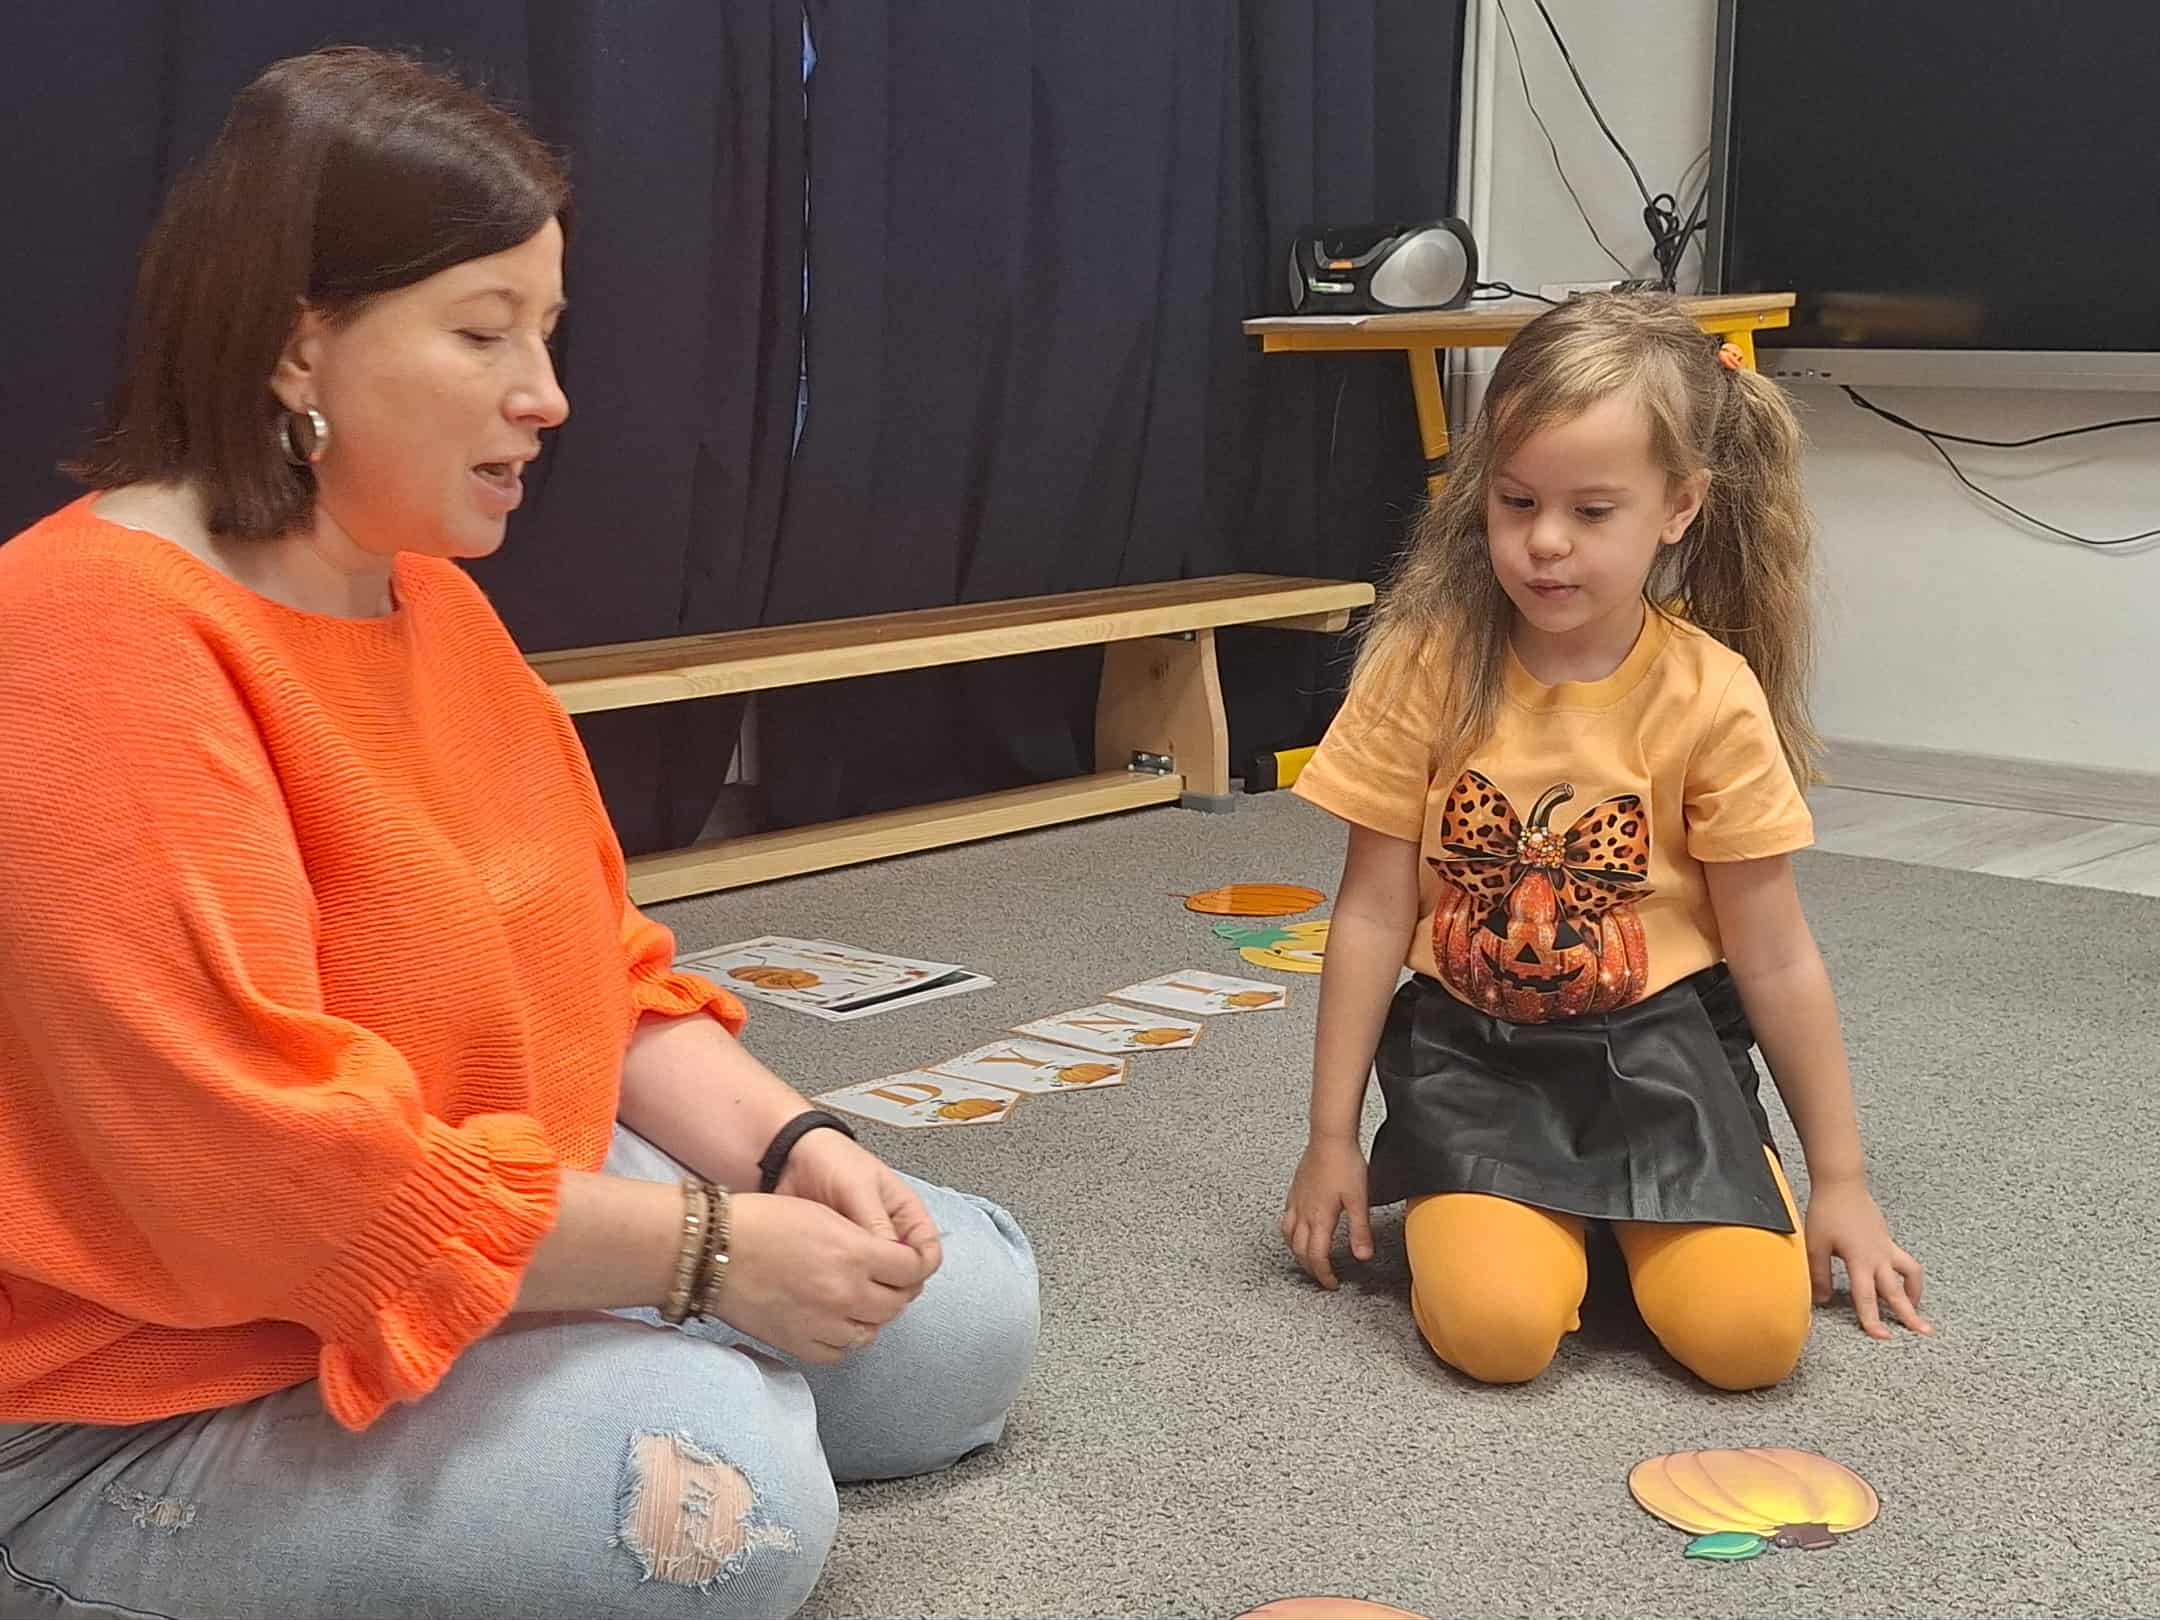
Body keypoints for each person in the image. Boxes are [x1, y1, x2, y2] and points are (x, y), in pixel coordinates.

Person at [0, 46, 1036, 1620]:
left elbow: (599, 976)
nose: (546, 395)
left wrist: (794, 1151)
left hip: (474, 1218)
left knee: (963, 1319)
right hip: (154, 1385)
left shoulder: (429, 597)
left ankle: (636, 1363)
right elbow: (261, 1179)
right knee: (725, 1500)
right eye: (485, 332)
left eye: (546, 331)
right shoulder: (82, 639)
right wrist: (704, 1255)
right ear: (296, 345)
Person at [1279, 292, 1929, 1390]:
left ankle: (1631, 1218)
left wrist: (1844, 1182)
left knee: (1751, 1344)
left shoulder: (1711, 693)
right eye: (1517, 501)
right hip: (1476, 1058)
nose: (1543, 542)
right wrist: (1331, 1138)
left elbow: (1774, 956)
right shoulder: (1420, 664)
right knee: (1497, 1336)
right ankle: (1546, 1224)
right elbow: (1374, 914)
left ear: (1679, 506)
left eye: (1591, 511)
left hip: (1662, 1056)